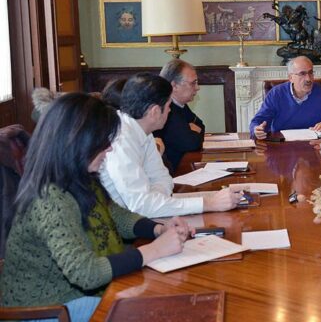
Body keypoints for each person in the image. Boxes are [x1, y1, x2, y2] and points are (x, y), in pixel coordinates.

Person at [0, 93, 191, 321]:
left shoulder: (78, 176)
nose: (109, 149)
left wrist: (158, 229)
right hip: (44, 310)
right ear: (77, 142)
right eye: (103, 141)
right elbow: (86, 273)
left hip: (71, 299)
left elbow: (114, 214)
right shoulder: (49, 198)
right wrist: (155, 250)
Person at [100, 73, 244, 218]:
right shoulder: (120, 140)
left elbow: (163, 178)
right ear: (155, 112)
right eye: (169, 106)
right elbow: (141, 206)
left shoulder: (142, 130)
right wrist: (209, 204)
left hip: (145, 217)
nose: (170, 111)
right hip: (120, 226)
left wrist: (156, 202)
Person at [250, 56, 321, 139]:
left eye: (311, 73)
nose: (308, 79)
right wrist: (256, 130)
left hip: (314, 148)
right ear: (291, 77)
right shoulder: (276, 93)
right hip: (283, 148)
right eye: (302, 74)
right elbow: (257, 122)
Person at [154, 59, 205, 173]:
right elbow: (191, 143)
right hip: (173, 172)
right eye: (193, 83)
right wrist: (193, 131)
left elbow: (201, 125)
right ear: (174, 86)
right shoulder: (167, 109)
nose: (197, 87)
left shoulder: (180, 104)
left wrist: (192, 131)